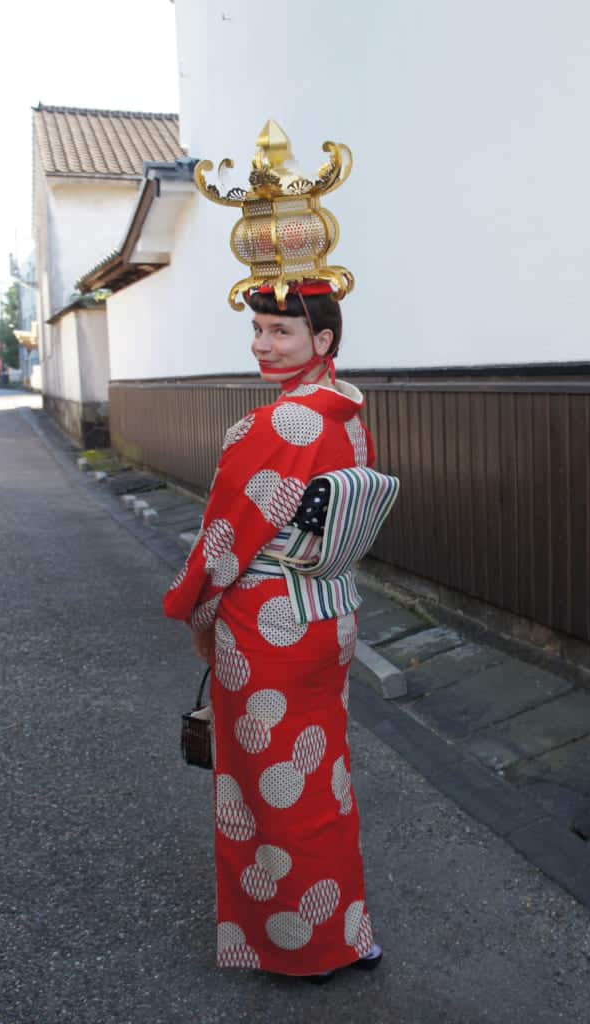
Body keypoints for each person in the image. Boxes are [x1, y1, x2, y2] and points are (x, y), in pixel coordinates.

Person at [163, 122, 394, 981]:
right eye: (258, 330)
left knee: (270, 793)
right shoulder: (346, 414)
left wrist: (192, 605)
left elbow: (226, 538)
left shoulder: (275, 424)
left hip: (264, 623)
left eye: (282, 335)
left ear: (322, 342)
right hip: (328, 616)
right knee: (322, 782)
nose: (264, 345)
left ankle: (299, 947)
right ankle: (351, 931)